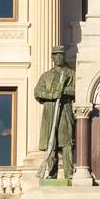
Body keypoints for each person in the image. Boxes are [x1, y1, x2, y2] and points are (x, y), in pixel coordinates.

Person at [35, 45, 75, 180]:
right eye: (56, 55)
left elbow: (79, 91)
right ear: (52, 57)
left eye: (61, 55)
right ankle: (52, 174)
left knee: (67, 143)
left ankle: (69, 174)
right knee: (50, 144)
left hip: (65, 110)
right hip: (50, 110)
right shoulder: (46, 76)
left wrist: (64, 91)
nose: (59, 57)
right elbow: (37, 92)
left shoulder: (71, 74)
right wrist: (53, 94)